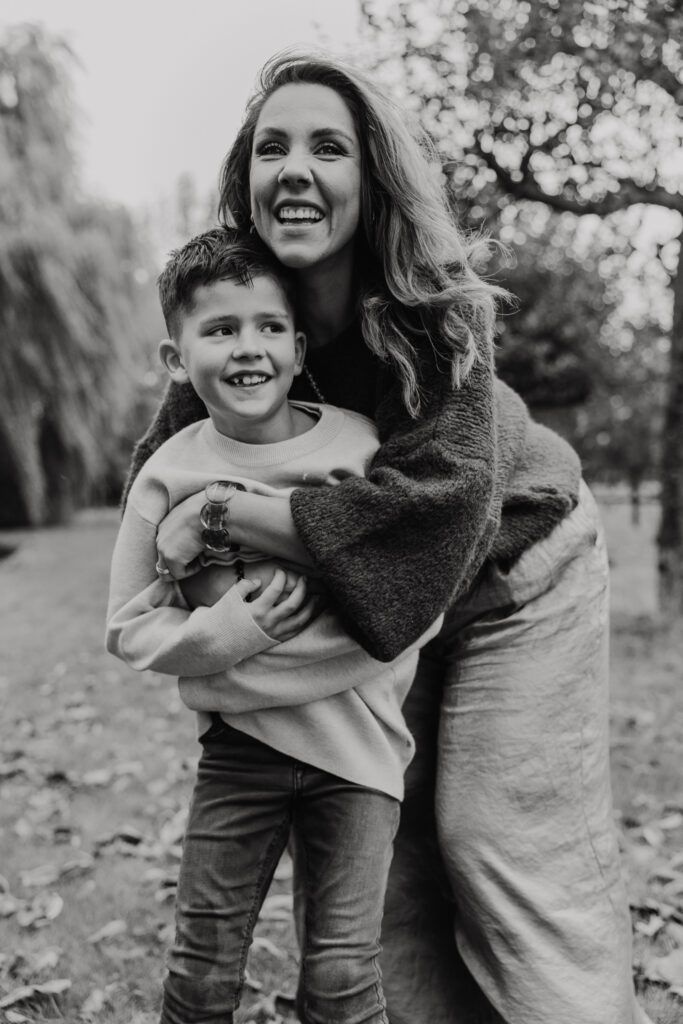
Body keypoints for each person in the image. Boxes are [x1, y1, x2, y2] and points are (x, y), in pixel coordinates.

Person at [124, 52, 649, 1024]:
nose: (295, 168)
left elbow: (433, 513)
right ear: (244, 176)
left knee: (494, 839)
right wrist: (214, 610)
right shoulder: (242, 319)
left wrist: (239, 519)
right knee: (379, 862)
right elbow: (166, 489)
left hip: (517, 572)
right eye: (271, 146)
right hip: (376, 615)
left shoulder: (434, 312)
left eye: (328, 146)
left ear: (369, 178)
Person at [106, 227, 443, 1024]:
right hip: (239, 755)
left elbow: (410, 600)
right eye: (219, 330)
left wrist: (285, 660)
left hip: (356, 754)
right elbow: (129, 625)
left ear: (297, 345)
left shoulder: (356, 448)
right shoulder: (168, 472)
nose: (246, 348)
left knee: (340, 979)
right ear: (176, 359)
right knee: (199, 972)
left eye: (265, 327)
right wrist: (228, 639)